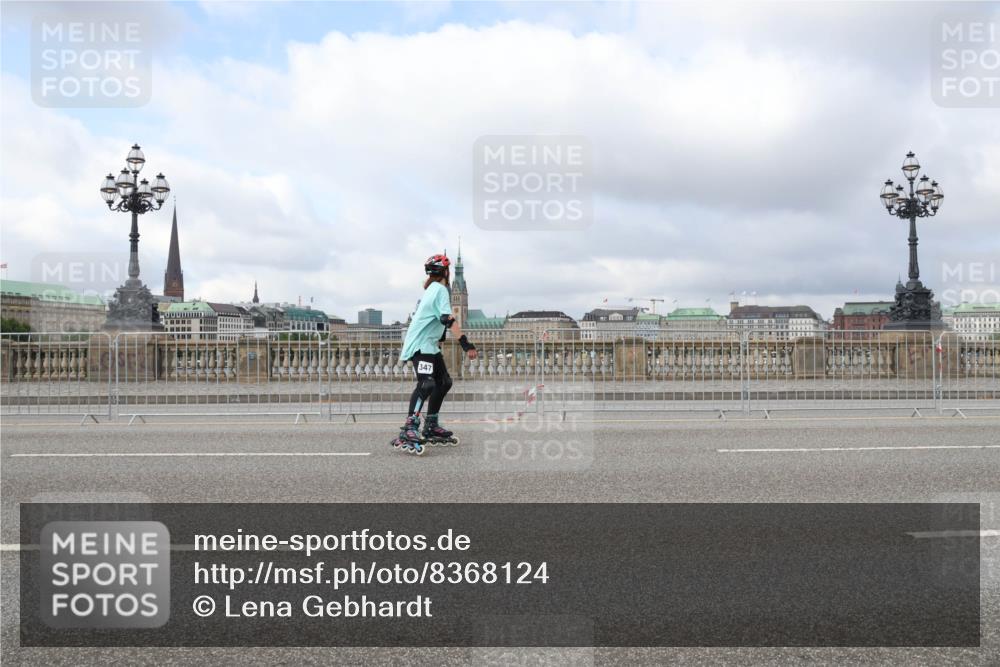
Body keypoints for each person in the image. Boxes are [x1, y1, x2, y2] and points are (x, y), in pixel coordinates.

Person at [391, 253, 477, 455]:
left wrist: (440, 337)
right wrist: (466, 344)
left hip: (430, 346)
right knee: (427, 384)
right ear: (446, 272)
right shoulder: (440, 289)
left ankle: (431, 424)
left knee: (444, 382)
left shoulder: (432, 289)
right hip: (421, 345)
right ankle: (410, 427)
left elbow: (435, 319)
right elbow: (447, 319)